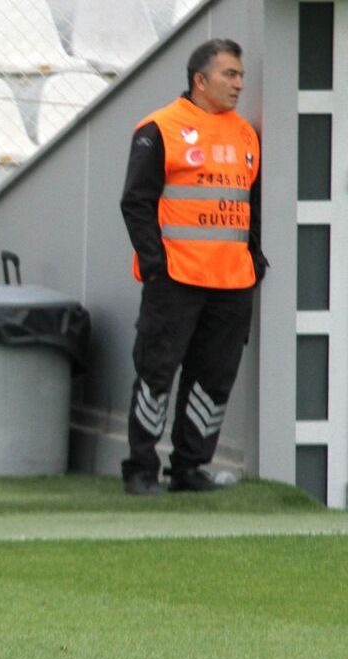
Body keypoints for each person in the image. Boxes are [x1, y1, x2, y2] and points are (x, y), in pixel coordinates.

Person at [119, 38, 266, 495]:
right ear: (200, 80)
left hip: (232, 282)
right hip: (176, 280)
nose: (239, 84)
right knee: (156, 374)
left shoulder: (246, 135)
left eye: (241, 75)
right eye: (230, 74)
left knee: (213, 379)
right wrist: (155, 265)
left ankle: (189, 468)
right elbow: (135, 202)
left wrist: (254, 258)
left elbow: (253, 205)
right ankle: (141, 469)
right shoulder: (159, 128)